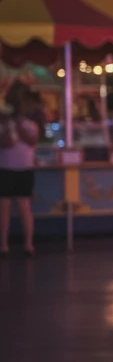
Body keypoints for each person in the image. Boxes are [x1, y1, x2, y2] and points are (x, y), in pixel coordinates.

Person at [0, 98, 40, 256]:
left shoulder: (30, 125)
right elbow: (5, 143)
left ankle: (28, 244)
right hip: (5, 168)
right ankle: (3, 244)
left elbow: (32, 141)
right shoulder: (2, 126)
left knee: (24, 206)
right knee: (4, 207)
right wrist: (9, 129)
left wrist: (18, 129)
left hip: (25, 169)